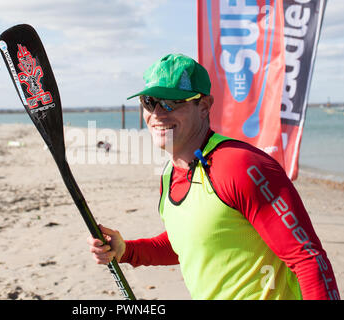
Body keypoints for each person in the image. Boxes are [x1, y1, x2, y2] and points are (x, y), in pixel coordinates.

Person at [87, 53, 340, 300]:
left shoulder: (241, 166)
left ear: (205, 106)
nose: (157, 113)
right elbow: (191, 240)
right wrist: (127, 250)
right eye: (149, 101)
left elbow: (308, 259)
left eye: (171, 103)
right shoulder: (169, 174)